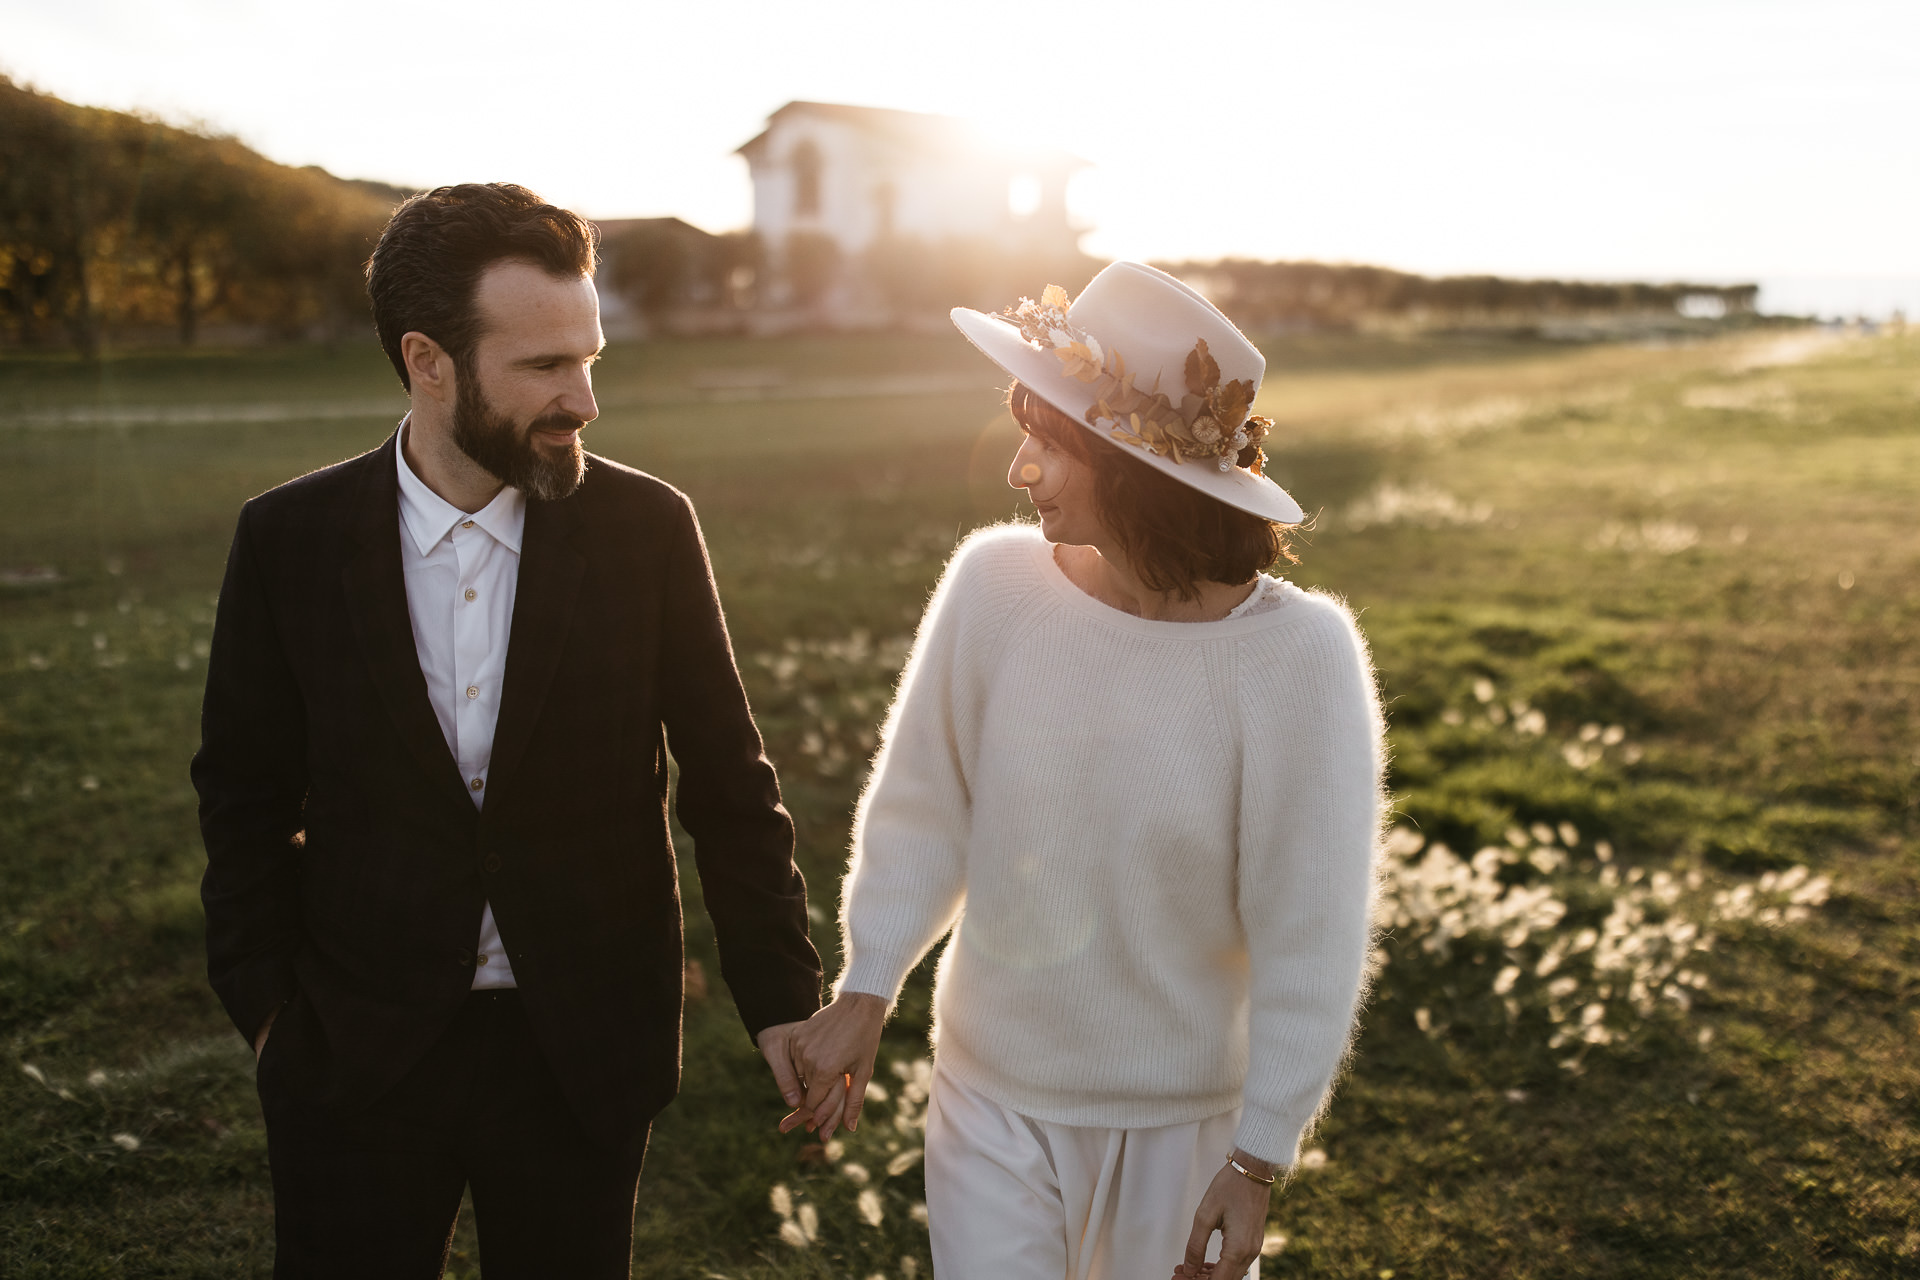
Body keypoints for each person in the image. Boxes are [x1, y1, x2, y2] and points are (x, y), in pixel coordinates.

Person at [193, 182, 822, 1278]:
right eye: (544, 366)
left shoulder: (647, 530)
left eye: (590, 360)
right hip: (356, 1051)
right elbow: (242, 792)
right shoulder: (287, 539)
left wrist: (780, 1005)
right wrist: (268, 1011)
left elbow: (732, 785)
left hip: (581, 1052)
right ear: (427, 361)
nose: (584, 400)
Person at [779, 262, 1384, 1279]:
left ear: (1137, 468)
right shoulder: (992, 585)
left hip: (1186, 1131)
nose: (1019, 470)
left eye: (1052, 443)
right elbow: (926, 805)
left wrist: (1258, 1154)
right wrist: (867, 985)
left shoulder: (1298, 655)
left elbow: (1311, 926)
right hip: (990, 1103)